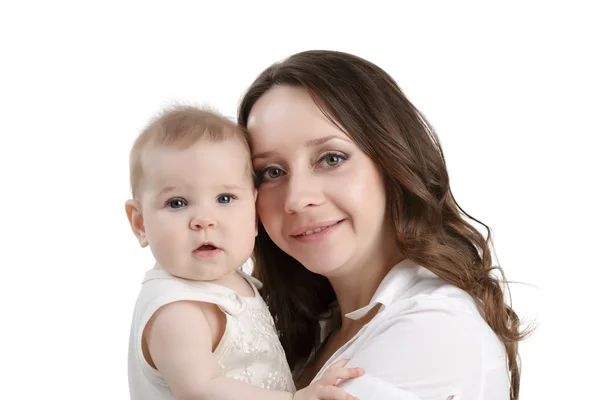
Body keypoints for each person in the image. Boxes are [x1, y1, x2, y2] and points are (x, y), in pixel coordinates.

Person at [238, 50, 529, 400]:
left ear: (392, 161)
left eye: (331, 159)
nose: (297, 198)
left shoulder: (434, 328)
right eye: (272, 172)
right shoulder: (316, 324)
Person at [125, 106, 363, 400]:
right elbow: (201, 389)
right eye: (177, 203)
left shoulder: (233, 283)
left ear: (253, 215)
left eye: (224, 198)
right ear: (140, 223)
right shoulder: (177, 309)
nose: (204, 220)